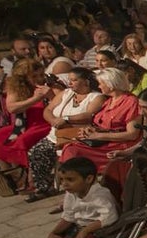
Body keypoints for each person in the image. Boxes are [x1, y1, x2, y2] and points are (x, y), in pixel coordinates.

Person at [25, 68, 104, 201]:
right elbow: (48, 109)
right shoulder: (65, 93)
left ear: (85, 82)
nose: (70, 83)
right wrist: (53, 120)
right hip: (57, 135)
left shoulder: (96, 97)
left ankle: (76, 188)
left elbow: (88, 115)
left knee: (70, 155)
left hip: (79, 136)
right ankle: (44, 187)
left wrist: (66, 119)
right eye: (69, 80)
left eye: (74, 80)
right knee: (36, 151)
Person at [0, 58, 56, 184]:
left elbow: (58, 104)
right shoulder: (17, 87)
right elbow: (12, 107)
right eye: (34, 76)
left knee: (22, 141)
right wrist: (35, 99)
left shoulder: (50, 85)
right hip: (25, 124)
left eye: (41, 75)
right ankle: (10, 176)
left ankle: (27, 178)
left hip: (44, 123)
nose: (39, 79)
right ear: (24, 78)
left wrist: (49, 95)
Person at [59, 67, 143, 177]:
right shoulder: (109, 101)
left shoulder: (131, 102)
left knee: (72, 151)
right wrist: (91, 130)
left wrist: (99, 135)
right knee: (70, 148)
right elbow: (102, 124)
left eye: (101, 83)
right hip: (102, 142)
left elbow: (132, 134)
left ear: (110, 84)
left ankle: (75, 179)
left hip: (117, 146)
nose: (99, 86)